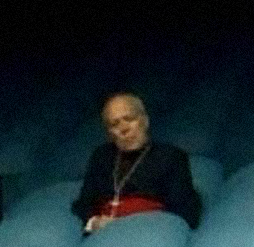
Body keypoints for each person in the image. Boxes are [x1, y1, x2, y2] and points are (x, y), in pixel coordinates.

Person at [72, 93, 201, 234]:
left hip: (146, 232)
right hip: (104, 234)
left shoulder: (171, 156)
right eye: (115, 124)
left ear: (145, 120)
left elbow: (186, 210)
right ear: (109, 133)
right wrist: (94, 222)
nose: (124, 128)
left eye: (129, 119)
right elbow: (83, 203)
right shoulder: (101, 156)